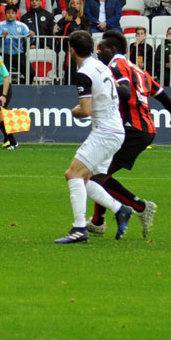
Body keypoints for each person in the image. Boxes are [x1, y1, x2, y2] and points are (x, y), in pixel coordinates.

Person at [85, 31, 171, 236]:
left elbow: (125, 92)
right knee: (101, 173)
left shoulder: (115, 66)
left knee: (98, 175)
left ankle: (139, 207)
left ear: (112, 49)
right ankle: (97, 221)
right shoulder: (139, 71)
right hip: (145, 130)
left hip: (130, 128)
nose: (98, 50)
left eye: (101, 47)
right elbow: (167, 99)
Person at [55, 31, 134, 244]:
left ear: (71, 50)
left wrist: (74, 111)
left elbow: (86, 110)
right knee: (85, 178)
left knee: (73, 174)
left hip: (105, 132)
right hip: (115, 130)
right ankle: (121, 209)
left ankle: (79, 228)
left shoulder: (83, 73)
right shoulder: (101, 66)